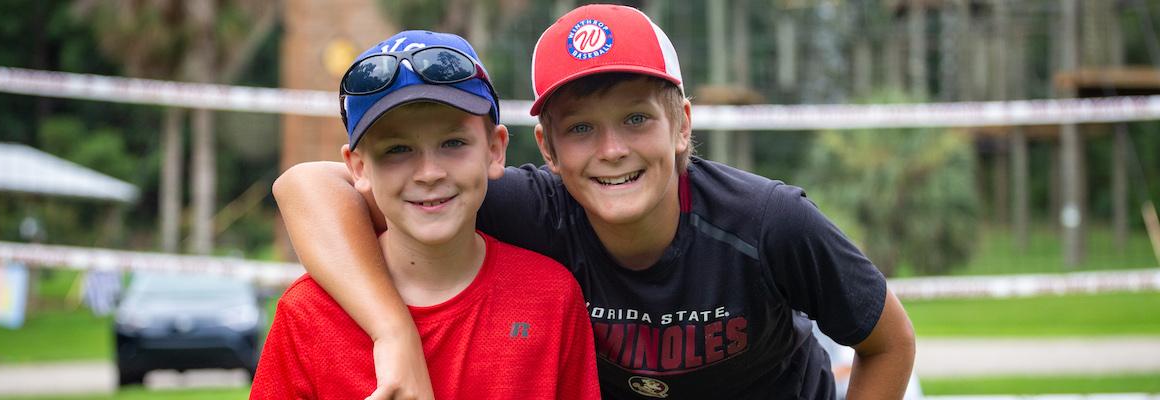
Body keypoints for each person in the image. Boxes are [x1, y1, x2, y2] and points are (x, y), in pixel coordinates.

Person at [275, 4, 917, 399]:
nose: (611, 150)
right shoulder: (514, 204)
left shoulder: (767, 222)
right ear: (546, 150)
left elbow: (890, 342)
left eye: (637, 119)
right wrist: (394, 334)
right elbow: (305, 186)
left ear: (683, 126)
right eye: (581, 128)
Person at [251, 30, 600, 400]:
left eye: (453, 143)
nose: (429, 172)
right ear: (358, 167)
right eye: (398, 149)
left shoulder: (551, 297)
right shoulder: (307, 314)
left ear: (496, 149)